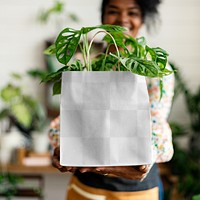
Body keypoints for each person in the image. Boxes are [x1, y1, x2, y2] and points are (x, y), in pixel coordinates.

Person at [48, 0, 174, 199]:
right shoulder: (88, 65)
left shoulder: (154, 66)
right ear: (103, 18)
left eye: (132, 13)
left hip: (137, 189)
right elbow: (71, 118)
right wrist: (62, 146)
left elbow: (156, 120)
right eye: (113, 11)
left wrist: (145, 156)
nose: (122, 19)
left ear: (142, 20)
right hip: (87, 184)